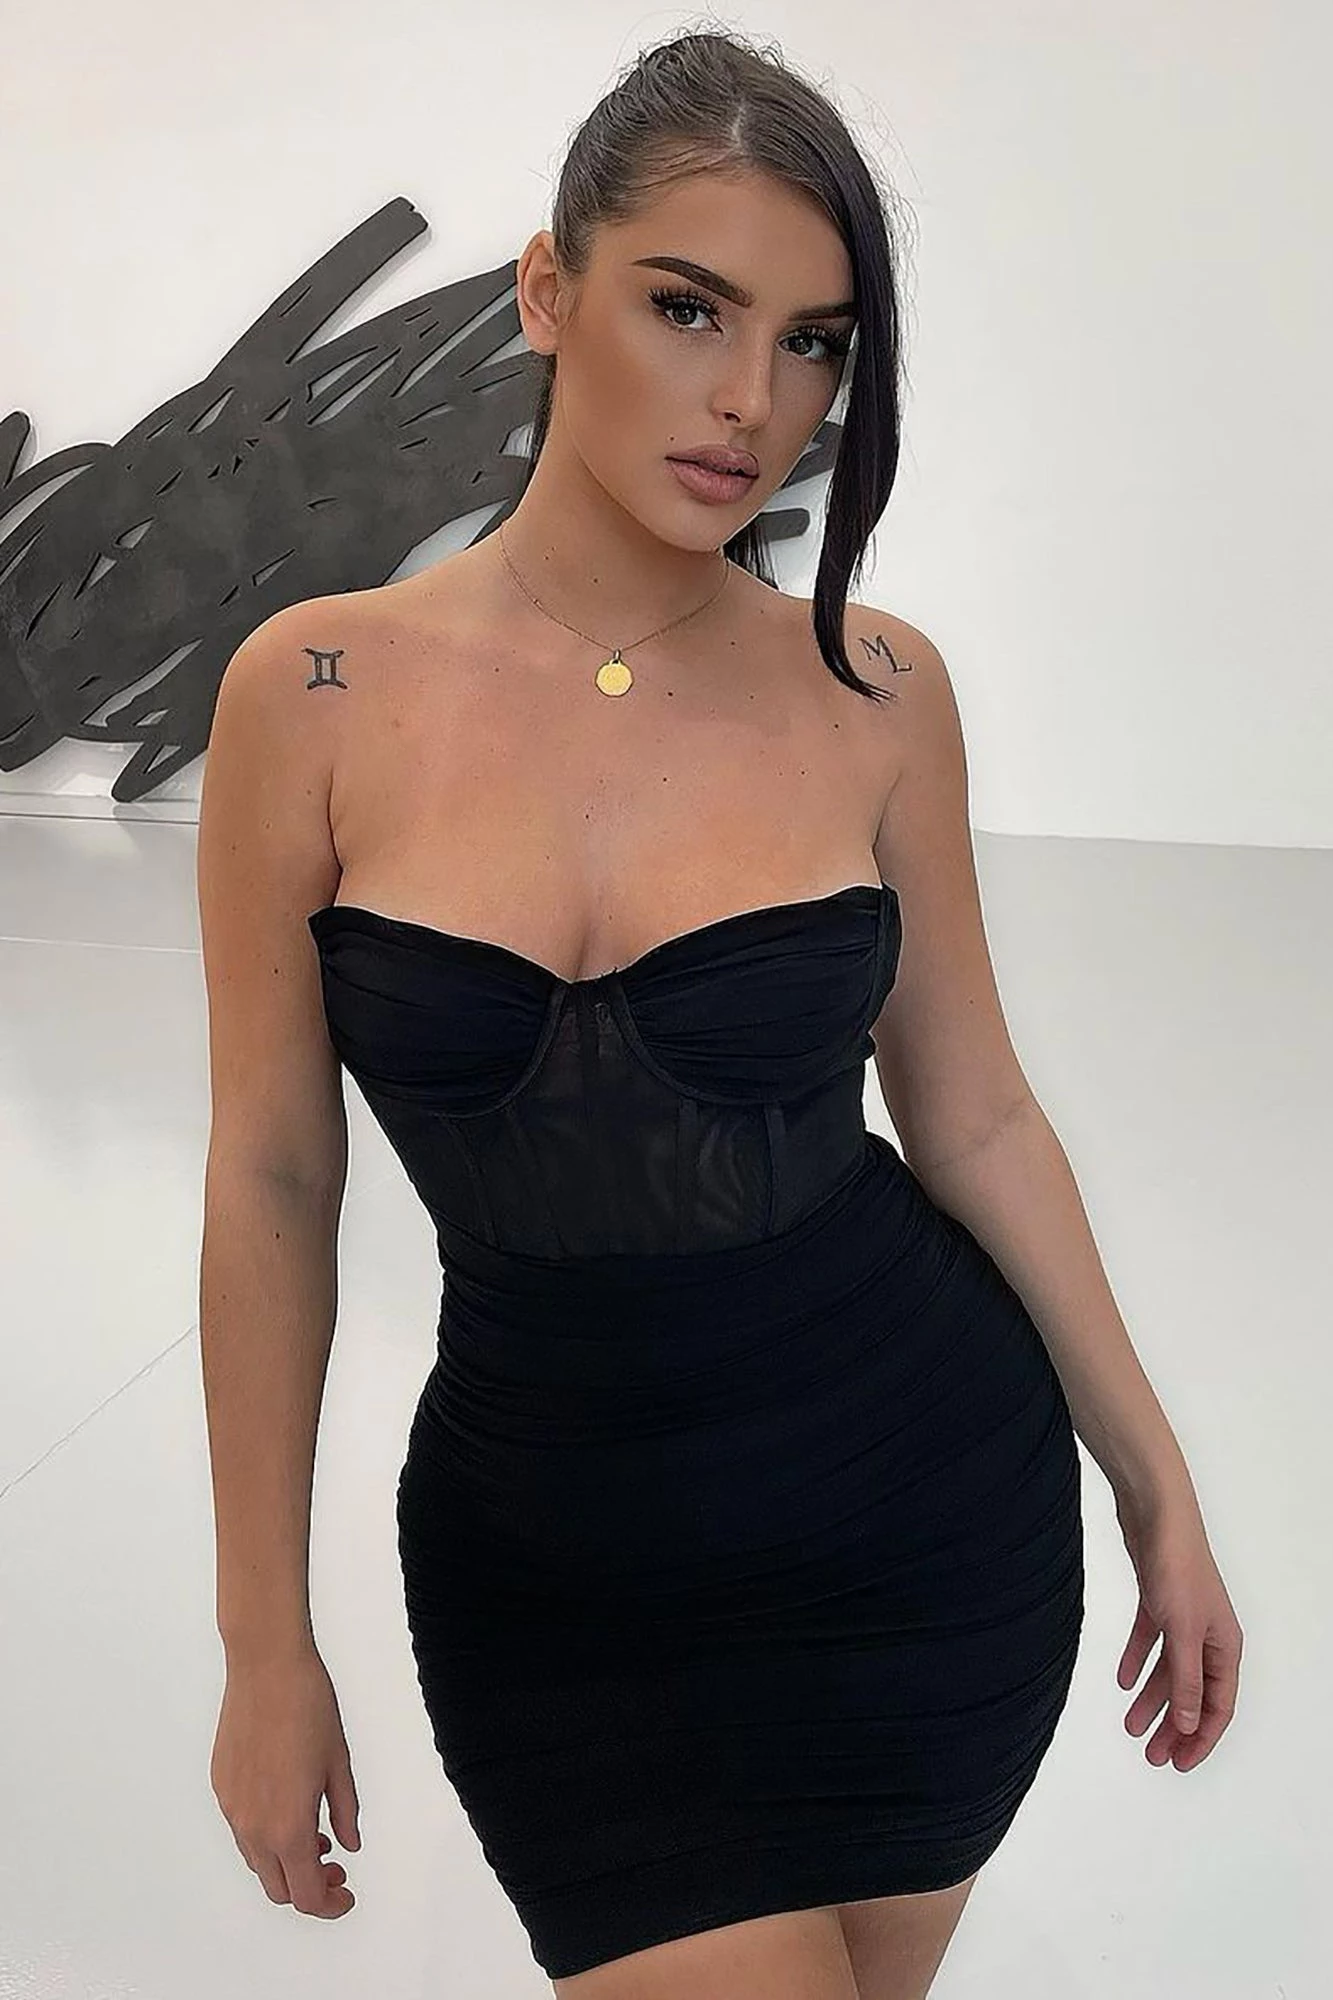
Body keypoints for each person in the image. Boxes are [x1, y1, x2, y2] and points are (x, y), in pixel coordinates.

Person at [194, 26, 1243, 1999]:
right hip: (557, 1583)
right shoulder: (310, 693)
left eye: (816, 342)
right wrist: (264, 1637)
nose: (755, 399)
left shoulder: (877, 689)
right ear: (547, 289)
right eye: (690, 308)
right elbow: (268, 1174)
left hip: (921, 1515)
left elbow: (975, 1115)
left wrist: (1157, 1482)